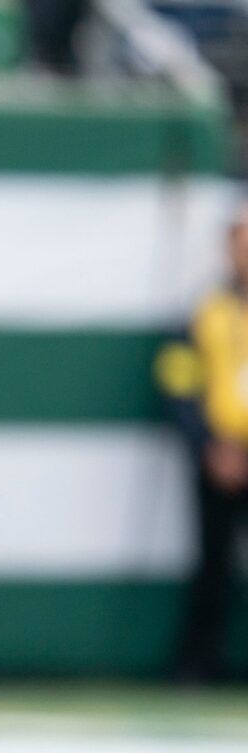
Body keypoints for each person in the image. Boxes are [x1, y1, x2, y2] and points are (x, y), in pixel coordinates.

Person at [160, 213, 248, 683]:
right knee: (211, 565)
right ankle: (198, 664)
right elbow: (178, 379)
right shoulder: (206, 310)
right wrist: (209, 444)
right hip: (219, 457)